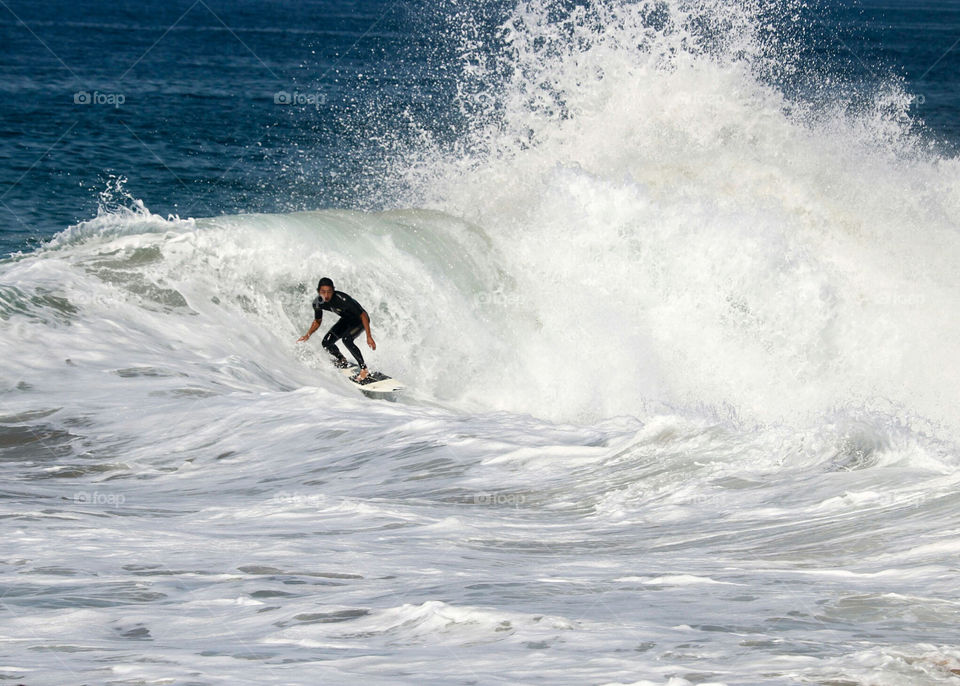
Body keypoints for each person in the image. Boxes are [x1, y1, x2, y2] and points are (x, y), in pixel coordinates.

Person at [298, 277, 376, 381]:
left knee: (347, 340)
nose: (326, 295)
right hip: (346, 320)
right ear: (318, 291)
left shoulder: (343, 299)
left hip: (360, 321)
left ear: (333, 291)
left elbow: (363, 315)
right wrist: (308, 335)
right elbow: (317, 321)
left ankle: (364, 369)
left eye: (329, 292)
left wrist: (369, 336)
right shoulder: (318, 303)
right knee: (326, 343)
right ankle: (341, 359)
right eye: (323, 292)